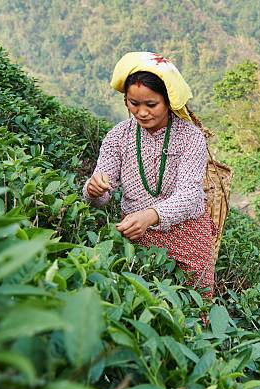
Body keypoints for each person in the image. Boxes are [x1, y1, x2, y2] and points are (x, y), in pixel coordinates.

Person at [83, 51, 217, 299]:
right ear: (126, 101)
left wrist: (153, 215)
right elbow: (101, 195)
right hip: (137, 235)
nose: (142, 112)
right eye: (134, 104)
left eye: (151, 105)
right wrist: (93, 190)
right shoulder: (118, 137)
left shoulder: (190, 137)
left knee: (195, 304)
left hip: (186, 235)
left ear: (168, 102)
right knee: (141, 302)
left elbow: (189, 195)